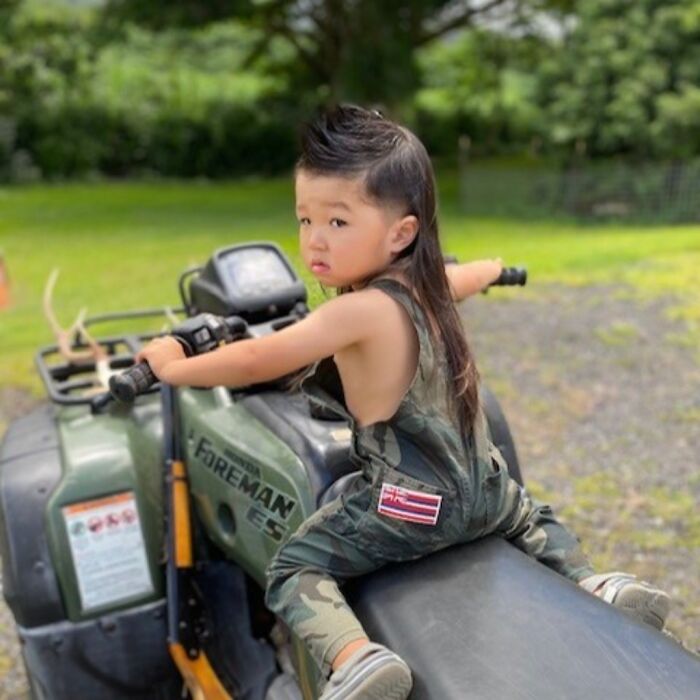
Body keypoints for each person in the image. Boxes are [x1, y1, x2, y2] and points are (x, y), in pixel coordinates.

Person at [136, 105, 671, 700]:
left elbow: (262, 359)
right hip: (486, 489)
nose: (314, 239)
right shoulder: (433, 285)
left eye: (338, 223)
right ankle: (598, 586)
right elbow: (466, 276)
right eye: (305, 218)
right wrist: (493, 270)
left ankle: (357, 658)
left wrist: (174, 366)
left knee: (293, 569)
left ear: (402, 232)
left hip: (412, 507)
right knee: (532, 515)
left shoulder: (354, 310)